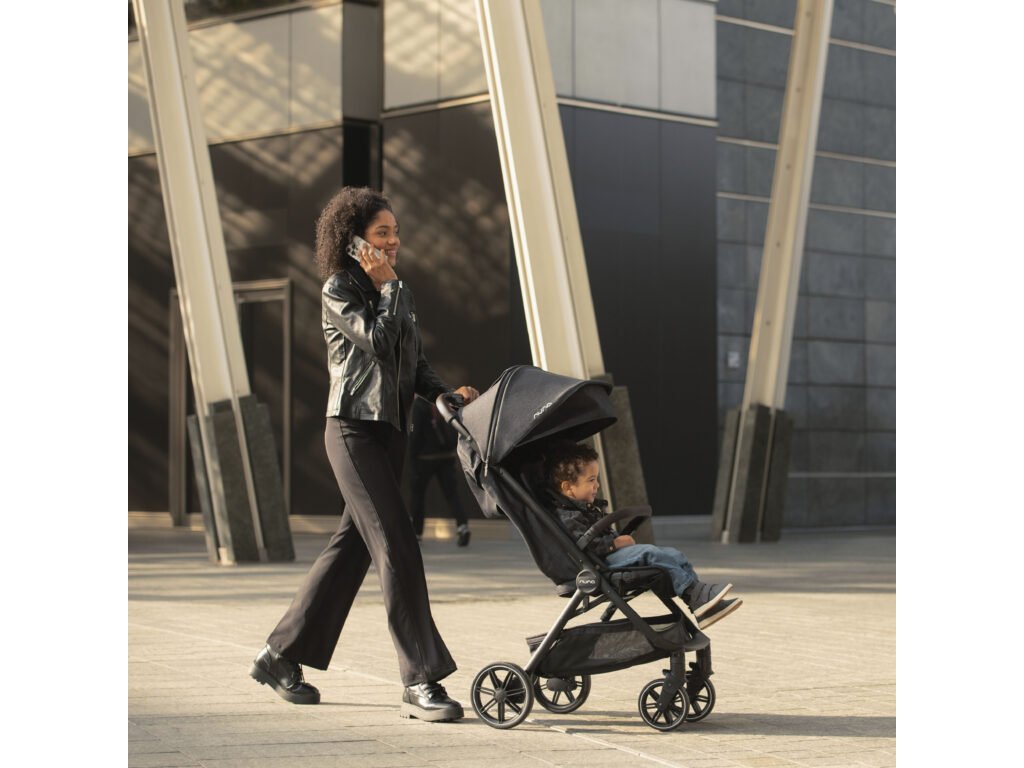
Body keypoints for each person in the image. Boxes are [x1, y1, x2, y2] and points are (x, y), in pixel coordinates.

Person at [249, 187, 480, 722]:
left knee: (350, 550)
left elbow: (412, 363)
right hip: (353, 431)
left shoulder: (396, 290)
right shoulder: (340, 288)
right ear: (356, 241)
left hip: (390, 434)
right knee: (397, 542)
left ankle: (279, 656)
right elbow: (376, 341)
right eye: (383, 233)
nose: (394, 241)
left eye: (396, 232)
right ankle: (420, 678)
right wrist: (390, 288)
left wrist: (444, 395)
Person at [542, 441, 742, 629]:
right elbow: (585, 545)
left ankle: (699, 601)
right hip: (599, 564)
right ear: (568, 487)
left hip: (607, 557)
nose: (597, 486)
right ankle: (695, 596)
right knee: (650, 554)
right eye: (591, 480)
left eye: (597, 479)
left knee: (674, 554)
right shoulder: (567, 517)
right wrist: (614, 544)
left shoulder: (582, 508)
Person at [407, 396, 472, 546]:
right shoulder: (442, 402)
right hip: (446, 456)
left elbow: (415, 431)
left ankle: (417, 532)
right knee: (452, 494)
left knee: (418, 495)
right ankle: (462, 526)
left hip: (425, 458)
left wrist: (412, 455)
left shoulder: (419, 405)